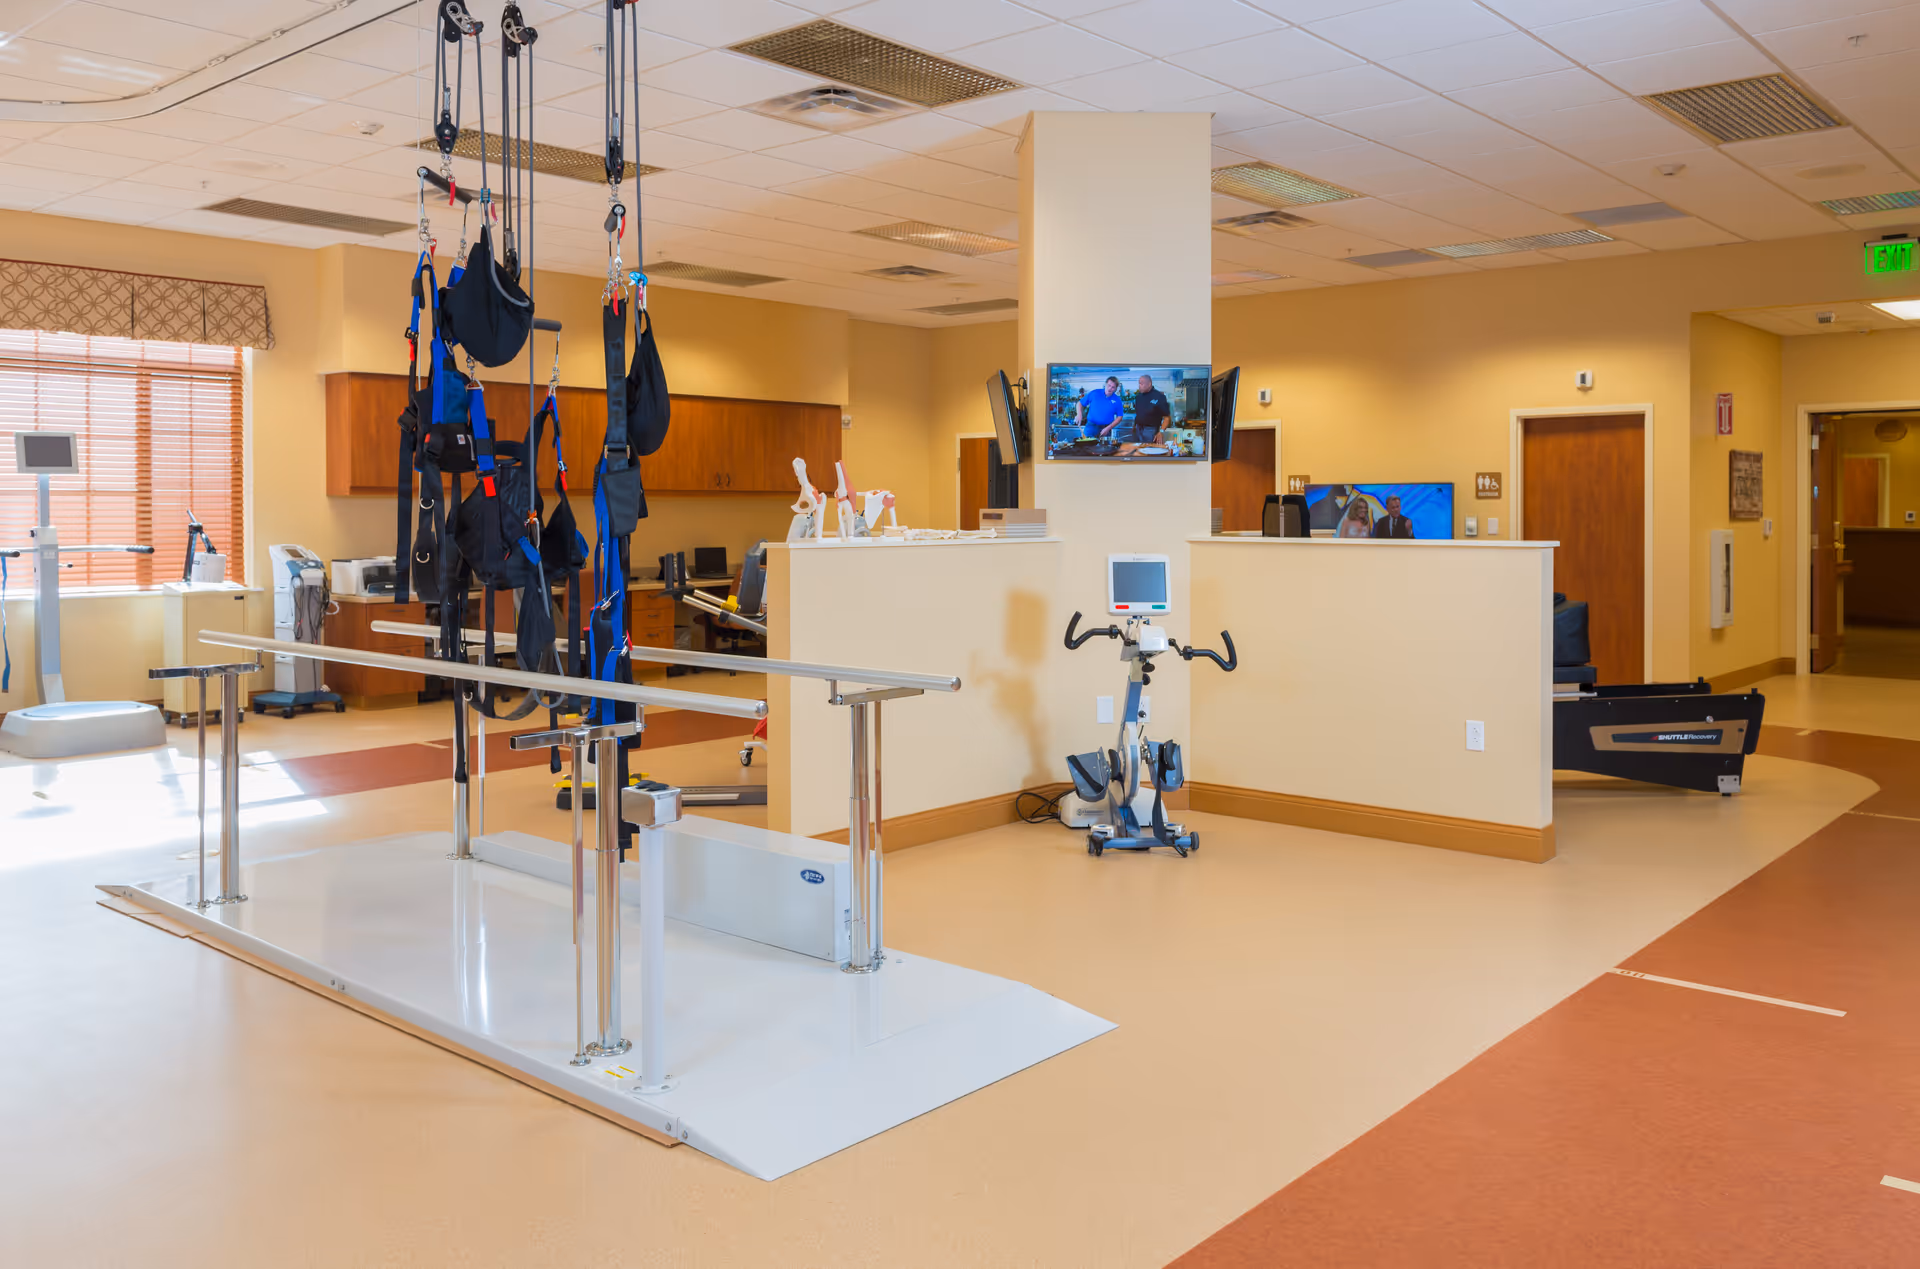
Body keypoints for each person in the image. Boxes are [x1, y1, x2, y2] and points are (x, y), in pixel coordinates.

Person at [1124, 374, 1172, 444]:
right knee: (1138, 448)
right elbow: (1138, 414)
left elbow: (1167, 418)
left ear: (1149, 384)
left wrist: (1161, 432)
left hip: (1151, 431)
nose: (1139, 386)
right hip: (1138, 429)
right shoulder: (1138, 397)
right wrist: (1134, 425)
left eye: (1141, 384)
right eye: (1139, 383)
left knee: (1149, 449)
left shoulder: (1160, 397)